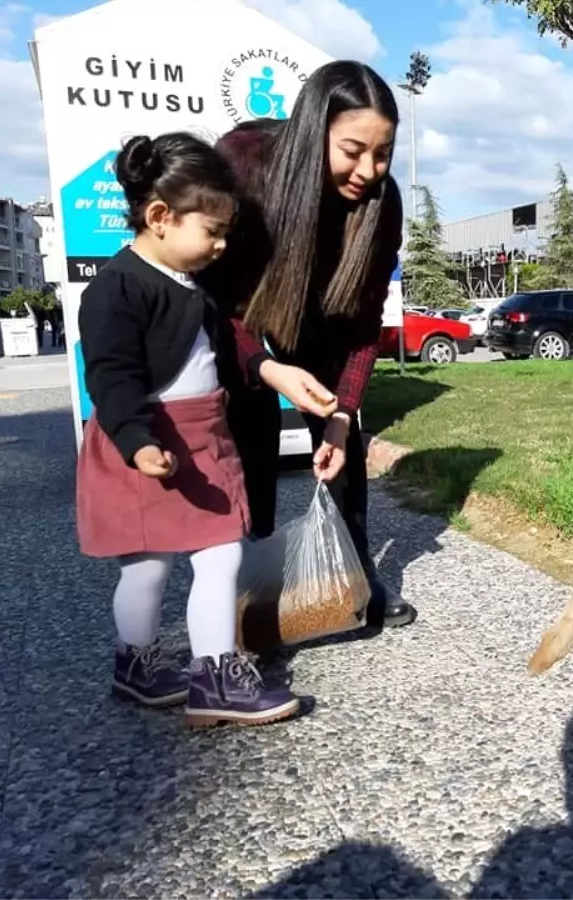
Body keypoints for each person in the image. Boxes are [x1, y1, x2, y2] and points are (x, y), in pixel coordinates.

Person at [75, 131, 302, 727]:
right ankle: (144, 665)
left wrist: (265, 370)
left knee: (219, 554)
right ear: (159, 217)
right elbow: (111, 374)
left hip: (202, 439)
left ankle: (206, 672)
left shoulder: (191, 287)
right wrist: (136, 440)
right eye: (212, 230)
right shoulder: (117, 289)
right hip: (149, 442)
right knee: (146, 567)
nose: (222, 244)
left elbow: (223, 349)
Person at [198, 60, 416, 631]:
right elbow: (221, 302)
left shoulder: (381, 203)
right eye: (352, 150)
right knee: (249, 427)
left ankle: (356, 572)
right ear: (314, 130)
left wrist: (343, 413)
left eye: (383, 152)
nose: (369, 170)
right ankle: (252, 578)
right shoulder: (243, 165)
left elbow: (365, 323)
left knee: (339, 437)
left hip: (325, 318)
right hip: (246, 310)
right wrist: (267, 368)